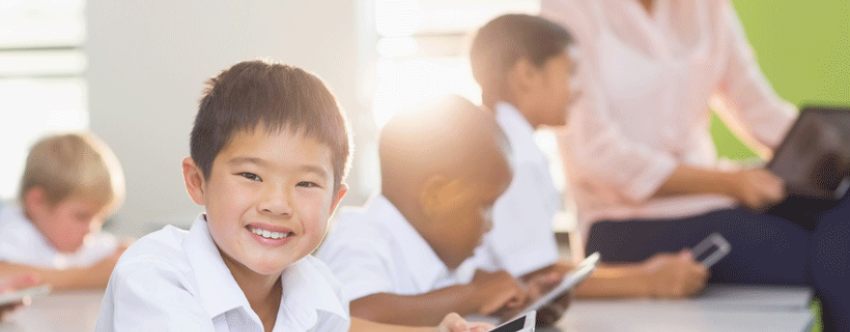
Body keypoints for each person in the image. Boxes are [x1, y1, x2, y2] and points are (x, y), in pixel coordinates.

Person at [94, 60, 491, 332]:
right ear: (197, 181)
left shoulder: (314, 282)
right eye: (251, 175)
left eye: (306, 184)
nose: (278, 203)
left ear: (335, 204)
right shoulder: (154, 273)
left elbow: (341, 327)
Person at [541, 1, 849, 330]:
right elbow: (597, 156)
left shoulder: (709, 7)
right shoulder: (571, 11)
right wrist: (728, 183)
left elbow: (758, 108)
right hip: (625, 221)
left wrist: (833, 145)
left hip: (720, 197)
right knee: (827, 254)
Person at [468, 13, 708, 302]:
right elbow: (536, 274)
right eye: (569, 72)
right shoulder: (516, 155)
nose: (578, 88)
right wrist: (648, 280)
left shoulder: (498, 140)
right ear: (527, 75)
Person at [318, 95, 533, 326]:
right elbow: (354, 318)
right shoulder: (360, 240)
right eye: (485, 206)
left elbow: (473, 281)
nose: (490, 226)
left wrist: (519, 293)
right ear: (435, 198)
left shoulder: (436, 250)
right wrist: (473, 296)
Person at [0, 133, 128, 291]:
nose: (91, 229)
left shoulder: (76, 241)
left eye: (100, 218)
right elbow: (3, 274)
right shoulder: (11, 231)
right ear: (37, 202)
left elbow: (126, 250)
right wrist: (91, 275)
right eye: (81, 217)